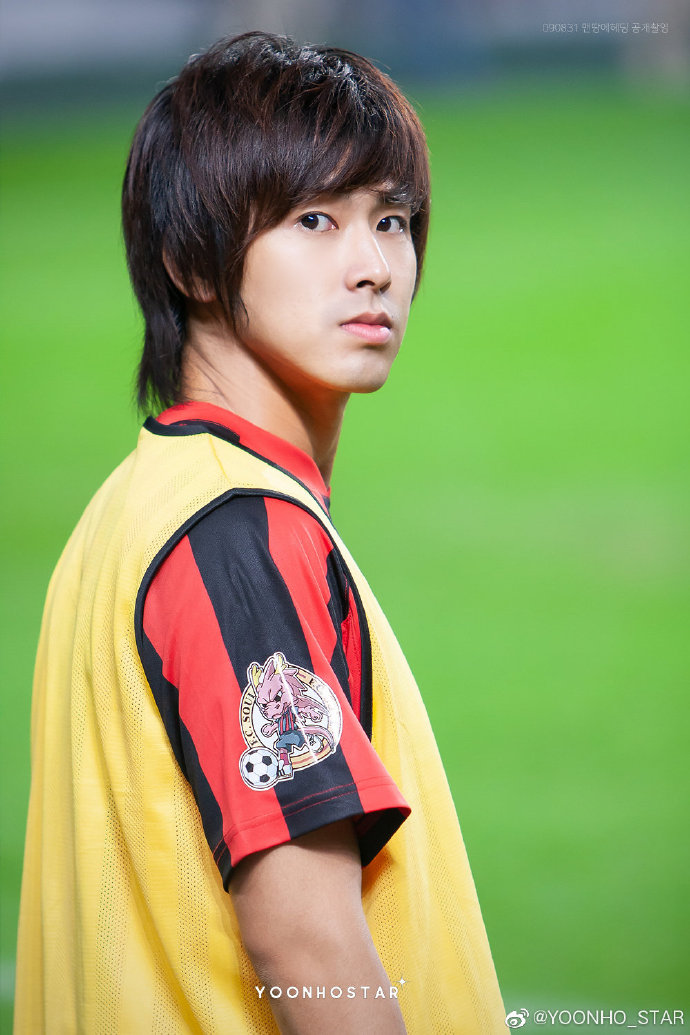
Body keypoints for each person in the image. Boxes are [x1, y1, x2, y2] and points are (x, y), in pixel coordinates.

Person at [14, 31, 505, 1033]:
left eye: (392, 220)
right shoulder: (237, 533)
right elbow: (305, 940)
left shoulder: (143, 501)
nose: (374, 267)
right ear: (189, 263)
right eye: (314, 220)